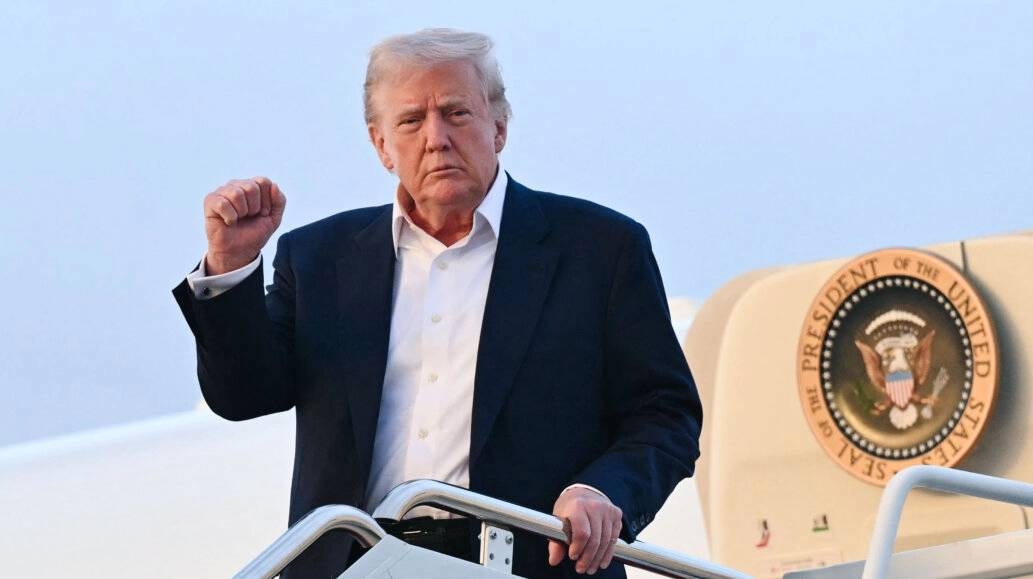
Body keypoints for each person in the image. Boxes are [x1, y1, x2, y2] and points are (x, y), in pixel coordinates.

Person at [173, 28, 701, 579]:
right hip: (359, 563)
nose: (436, 138)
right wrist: (230, 266)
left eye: (456, 113)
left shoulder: (600, 249)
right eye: (410, 121)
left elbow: (665, 413)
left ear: (499, 126)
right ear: (381, 145)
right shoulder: (319, 257)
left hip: (529, 563)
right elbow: (243, 396)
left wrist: (602, 491)